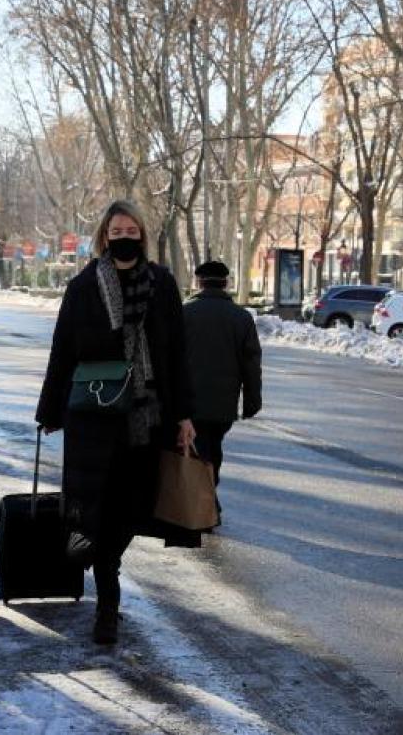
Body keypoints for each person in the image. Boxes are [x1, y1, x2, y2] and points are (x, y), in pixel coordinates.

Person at [36, 199, 195, 646]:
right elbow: (62, 350)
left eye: (131, 232)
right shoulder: (84, 285)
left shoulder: (162, 284)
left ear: (141, 235)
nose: (124, 238)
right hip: (94, 416)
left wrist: (184, 414)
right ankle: (107, 601)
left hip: (147, 417)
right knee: (95, 508)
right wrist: (49, 409)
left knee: (133, 509)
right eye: (116, 232)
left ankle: (106, 562)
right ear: (103, 237)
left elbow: (177, 355)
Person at [183, 261, 262, 522]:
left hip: (188, 402)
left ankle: (203, 506)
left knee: (197, 452)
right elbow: (251, 364)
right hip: (223, 404)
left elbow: (169, 359)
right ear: (226, 283)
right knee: (212, 449)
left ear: (198, 282)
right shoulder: (241, 318)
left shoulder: (184, 313)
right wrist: (252, 401)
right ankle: (207, 503)